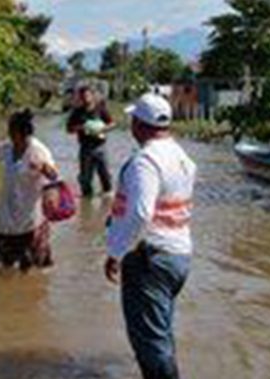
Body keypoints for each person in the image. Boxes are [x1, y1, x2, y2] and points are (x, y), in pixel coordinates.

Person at [104, 94, 197, 379]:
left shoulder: (146, 161)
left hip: (150, 260)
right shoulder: (181, 157)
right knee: (161, 334)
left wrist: (116, 253)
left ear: (138, 124)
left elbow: (141, 213)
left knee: (150, 344)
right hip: (178, 256)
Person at [0, 109, 60, 272]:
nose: (8, 133)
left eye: (11, 130)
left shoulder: (38, 151)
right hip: (8, 212)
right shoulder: (10, 147)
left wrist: (42, 167)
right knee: (6, 265)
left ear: (20, 132)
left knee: (29, 267)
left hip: (30, 216)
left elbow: (54, 176)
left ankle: (26, 294)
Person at [66, 86, 115, 196]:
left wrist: (102, 128)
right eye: (83, 96)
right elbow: (69, 129)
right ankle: (86, 201)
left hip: (100, 146)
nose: (85, 98)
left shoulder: (100, 109)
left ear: (92, 96)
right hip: (85, 147)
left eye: (87, 95)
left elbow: (112, 123)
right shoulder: (77, 112)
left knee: (105, 175)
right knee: (85, 178)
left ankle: (107, 200)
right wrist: (81, 127)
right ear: (80, 98)